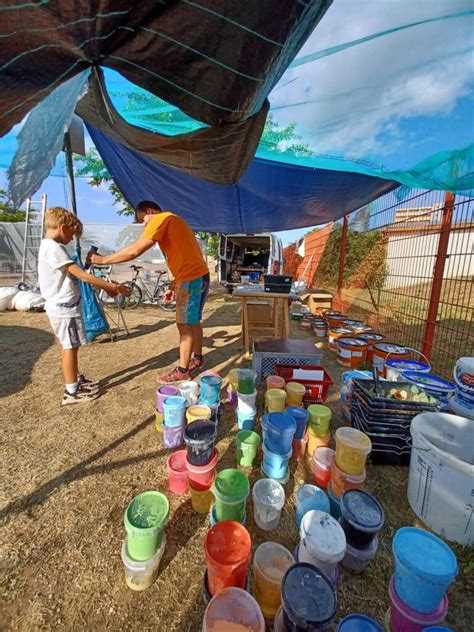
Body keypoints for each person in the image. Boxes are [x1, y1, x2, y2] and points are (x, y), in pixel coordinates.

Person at [91, 201, 210, 383]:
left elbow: (135, 251)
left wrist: (102, 260)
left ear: (149, 211)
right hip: (197, 275)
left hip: (190, 278)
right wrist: (173, 285)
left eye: (143, 219)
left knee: (184, 325)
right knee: (192, 321)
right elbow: (185, 256)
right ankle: (198, 359)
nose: (145, 225)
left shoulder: (161, 218)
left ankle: (183, 370)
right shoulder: (175, 221)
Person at [38, 207, 131, 405]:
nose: (72, 239)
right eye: (71, 234)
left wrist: (89, 267)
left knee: (73, 345)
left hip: (67, 306)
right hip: (64, 309)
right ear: (63, 228)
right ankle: (71, 391)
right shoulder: (53, 248)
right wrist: (112, 286)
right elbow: (81, 276)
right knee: (70, 347)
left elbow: (74, 274)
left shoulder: (51, 247)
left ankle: (76, 380)